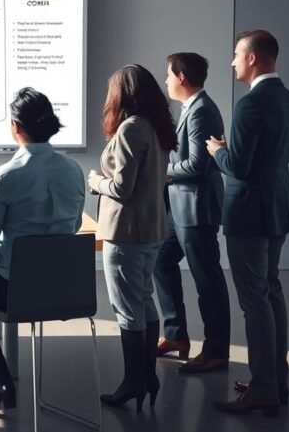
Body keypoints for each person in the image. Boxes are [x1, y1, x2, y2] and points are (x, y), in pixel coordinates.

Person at [0, 88, 85, 416]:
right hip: (66, 288)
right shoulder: (73, 171)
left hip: (14, 287)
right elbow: (73, 224)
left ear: (16, 126)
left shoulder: (3, 176)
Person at [207, 30, 289, 416]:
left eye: (235, 55)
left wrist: (218, 151)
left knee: (254, 301)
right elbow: (273, 158)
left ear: (252, 59)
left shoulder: (250, 105)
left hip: (249, 210)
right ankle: (275, 378)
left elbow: (240, 169)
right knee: (271, 291)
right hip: (278, 204)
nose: (231, 62)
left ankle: (263, 386)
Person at [89, 65, 175, 412]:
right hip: (152, 229)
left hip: (126, 232)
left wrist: (94, 181)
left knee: (126, 309)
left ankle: (133, 381)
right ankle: (146, 376)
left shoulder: (130, 129)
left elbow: (121, 188)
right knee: (143, 299)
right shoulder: (157, 128)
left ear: (121, 94)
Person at [154, 53, 230, 373]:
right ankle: (176, 336)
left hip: (196, 208)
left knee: (207, 279)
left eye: (169, 75)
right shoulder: (191, 108)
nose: (166, 81)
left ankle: (215, 352)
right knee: (161, 261)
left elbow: (199, 165)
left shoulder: (201, 111)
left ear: (182, 77)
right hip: (180, 207)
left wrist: (164, 170)